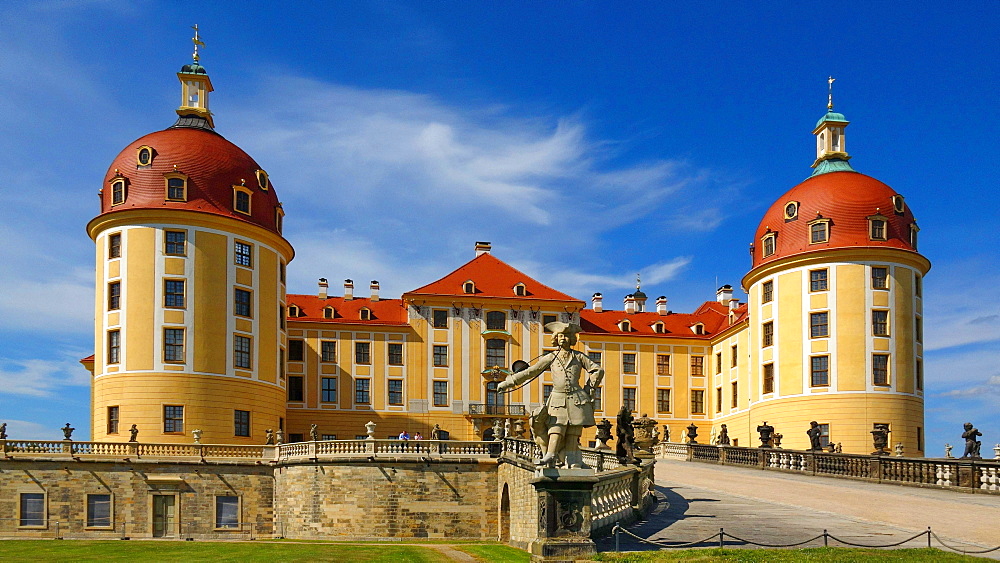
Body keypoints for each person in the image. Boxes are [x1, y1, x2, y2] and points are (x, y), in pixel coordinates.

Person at [497, 322, 604, 468]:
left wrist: (588, 389)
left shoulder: (579, 356)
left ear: (572, 339)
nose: (563, 339)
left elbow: (597, 370)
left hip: (577, 398)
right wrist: (508, 382)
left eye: (567, 336)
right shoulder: (551, 357)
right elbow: (531, 371)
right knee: (556, 426)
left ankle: (573, 460)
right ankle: (550, 454)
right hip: (558, 397)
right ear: (555, 338)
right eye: (560, 336)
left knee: (573, 431)